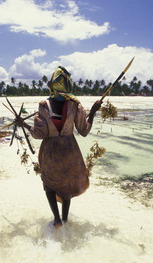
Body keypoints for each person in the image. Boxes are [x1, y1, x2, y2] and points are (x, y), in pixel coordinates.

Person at [16, 66, 102, 228]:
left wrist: (24, 125)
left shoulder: (44, 105)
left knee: (49, 184)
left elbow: (39, 134)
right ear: (68, 85)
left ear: (52, 85)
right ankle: (65, 219)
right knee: (67, 183)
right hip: (70, 150)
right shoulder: (75, 105)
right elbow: (84, 131)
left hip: (50, 151)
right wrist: (93, 112)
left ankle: (56, 220)